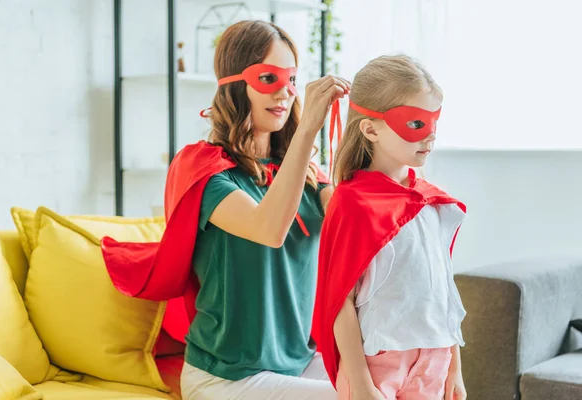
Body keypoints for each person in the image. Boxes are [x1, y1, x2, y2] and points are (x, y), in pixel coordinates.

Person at [101, 20, 350, 400]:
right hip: (228, 378)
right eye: (269, 77)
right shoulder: (204, 172)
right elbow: (269, 228)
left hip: (297, 362)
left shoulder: (307, 176)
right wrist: (308, 128)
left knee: (391, 386)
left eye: (293, 79)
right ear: (235, 84)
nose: (285, 92)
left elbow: (355, 228)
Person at [312, 55, 468, 400]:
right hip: (378, 366)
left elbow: (442, 291)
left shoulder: (430, 202)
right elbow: (340, 302)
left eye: (434, 123)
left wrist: (453, 366)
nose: (429, 136)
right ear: (370, 128)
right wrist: (361, 384)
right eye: (415, 124)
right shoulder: (353, 203)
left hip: (434, 363)